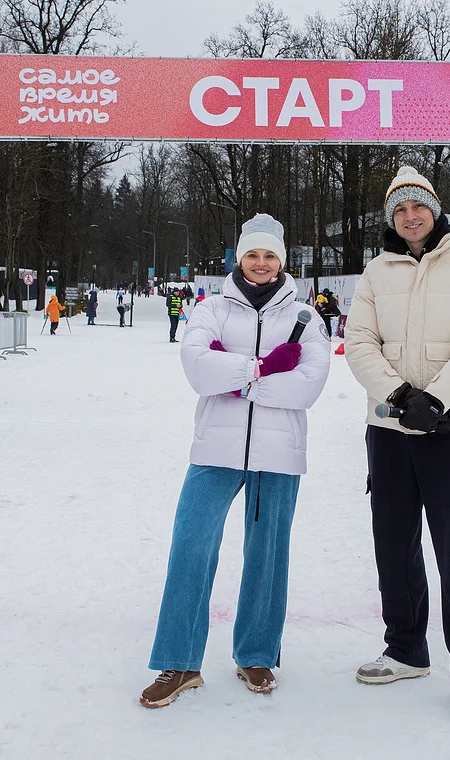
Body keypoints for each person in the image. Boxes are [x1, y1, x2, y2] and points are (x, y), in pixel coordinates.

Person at [140, 213, 331, 708]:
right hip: (215, 450)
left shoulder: (306, 317)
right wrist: (264, 368)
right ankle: (178, 662)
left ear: (281, 260)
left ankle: (256, 654)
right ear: (239, 257)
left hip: (279, 453)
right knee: (190, 546)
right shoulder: (210, 310)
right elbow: (198, 369)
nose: (261, 263)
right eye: (253, 254)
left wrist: (239, 379)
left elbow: (309, 385)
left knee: (267, 556)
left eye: (270, 255)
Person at [344, 166, 450, 724]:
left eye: (419, 207)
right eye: (400, 211)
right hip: (388, 432)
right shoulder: (375, 271)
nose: (411, 218)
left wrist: (435, 400)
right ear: (392, 219)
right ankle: (406, 650)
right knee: (394, 544)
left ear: (435, 210)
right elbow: (358, 340)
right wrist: (399, 394)